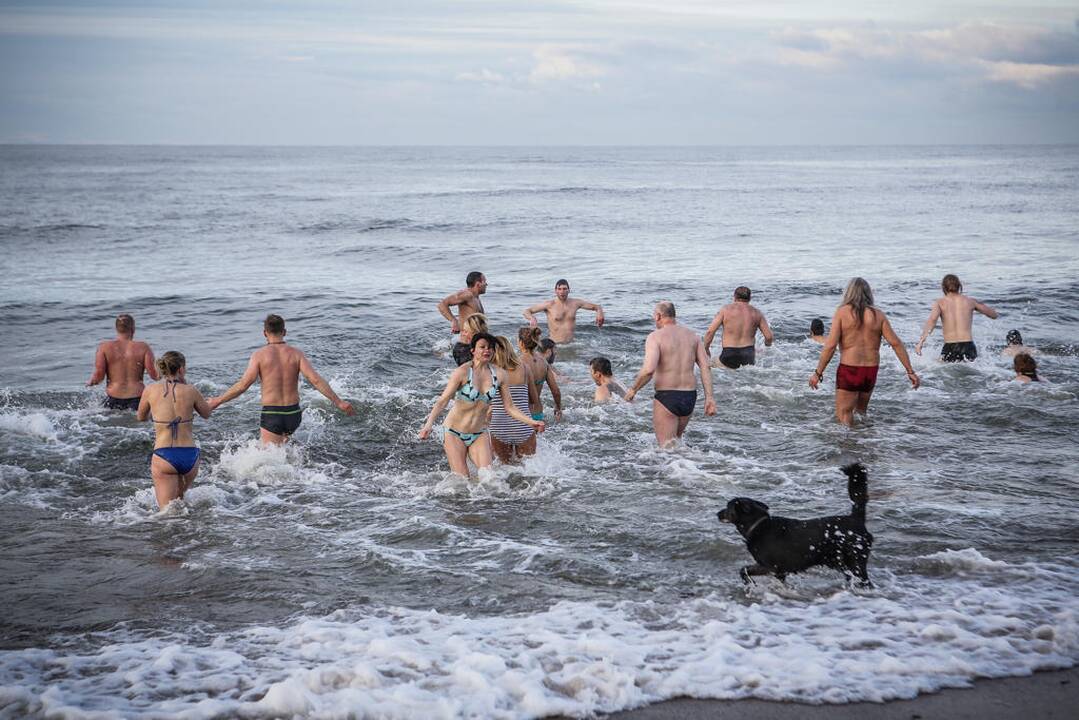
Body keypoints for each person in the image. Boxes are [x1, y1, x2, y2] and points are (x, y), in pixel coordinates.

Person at [208, 314, 355, 445]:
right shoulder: (296, 354)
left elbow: (243, 385)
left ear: (265, 333)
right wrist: (339, 402)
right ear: (284, 332)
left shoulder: (259, 355)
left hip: (272, 414)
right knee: (285, 456)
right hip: (293, 413)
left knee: (270, 462)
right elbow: (315, 380)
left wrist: (218, 400)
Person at [419, 333, 544, 477]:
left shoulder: (500, 374)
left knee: (489, 478)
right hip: (454, 432)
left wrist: (532, 422)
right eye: (482, 347)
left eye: (490, 348)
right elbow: (443, 400)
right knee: (462, 479)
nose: (487, 350)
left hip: (479, 433)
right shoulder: (462, 372)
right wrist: (428, 424)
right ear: (473, 350)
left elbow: (510, 407)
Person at [809, 278, 920, 426]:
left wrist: (818, 373)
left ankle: (848, 447)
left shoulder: (842, 313)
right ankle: (864, 444)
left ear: (848, 293)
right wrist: (910, 371)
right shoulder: (878, 315)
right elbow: (896, 343)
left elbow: (830, 346)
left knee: (844, 415)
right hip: (870, 372)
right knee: (861, 413)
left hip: (849, 370)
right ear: (869, 294)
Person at [624, 302, 716, 446]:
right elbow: (705, 366)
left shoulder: (655, 337)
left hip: (667, 397)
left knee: (666, 450)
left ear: (658, 316)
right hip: (690, 397)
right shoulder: (693, 336)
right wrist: (709, 397)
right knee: (676, 444)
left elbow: (648, 370)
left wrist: (633, 389)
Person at [136, 351, 212, 509]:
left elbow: (141, 417)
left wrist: (158, 414)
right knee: (180, 505)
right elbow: (206, 413)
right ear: (182, 369)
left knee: (167, 514)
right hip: (190, 456)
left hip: (164, 455)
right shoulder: (191, 390)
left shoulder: (150, 390)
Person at [915, 274, 999, 362]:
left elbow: (932, 320)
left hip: (950, 347)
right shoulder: (970, 301)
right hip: (968, 346)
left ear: (943, 287)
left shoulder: (940, 303)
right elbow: (994, 315)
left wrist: (921, 341)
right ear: (959, 286)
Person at [87, 313, 159, 410]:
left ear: (116, 329)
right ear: (133, 329)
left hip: (113, 397)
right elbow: (154, 376)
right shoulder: (143, 347)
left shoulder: (104, 347)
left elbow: (99, 376)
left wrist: (92, 381)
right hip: (137, 398)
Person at [489, 336, 541, 463]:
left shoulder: (489, 372)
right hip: (524, 426)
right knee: (529, 471)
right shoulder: (524, 368)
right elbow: (535, 400)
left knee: (503, 469)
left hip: (499, 426)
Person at [703, 286, 774, 369]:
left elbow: (710, 332)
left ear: (734, 297)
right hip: (748, 355)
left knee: (708, 364)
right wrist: (766, 347)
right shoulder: (757, 313)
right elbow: (769, 337)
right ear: (750, 298)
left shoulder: (725, 310)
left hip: (729, 355)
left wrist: (706, 349)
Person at [522, 279, 605, 343]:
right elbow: (526, 311)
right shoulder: (549, 304)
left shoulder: (575, 303)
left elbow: (596, 306)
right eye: (559, 289)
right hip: (554, 344)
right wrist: (531, 318)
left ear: (569, 290)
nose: (562, 292)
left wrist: (600, 312)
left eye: (565, 289)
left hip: (571, 344)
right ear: (556, 290)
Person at [518, 327, 562, 422]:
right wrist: (558, 407)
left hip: (521, 414)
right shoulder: (544, 363)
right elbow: (556, 391)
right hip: (538, 413)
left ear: (521, 343)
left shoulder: (517, 363)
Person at [438, 271, 487, 338]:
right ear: (478, 284)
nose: (486, 284)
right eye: (484, 281)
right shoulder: (467, 294)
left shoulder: (475, 297)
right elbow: (442, 304)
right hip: (467, 340)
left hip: (477, 338)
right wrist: (454, 321)